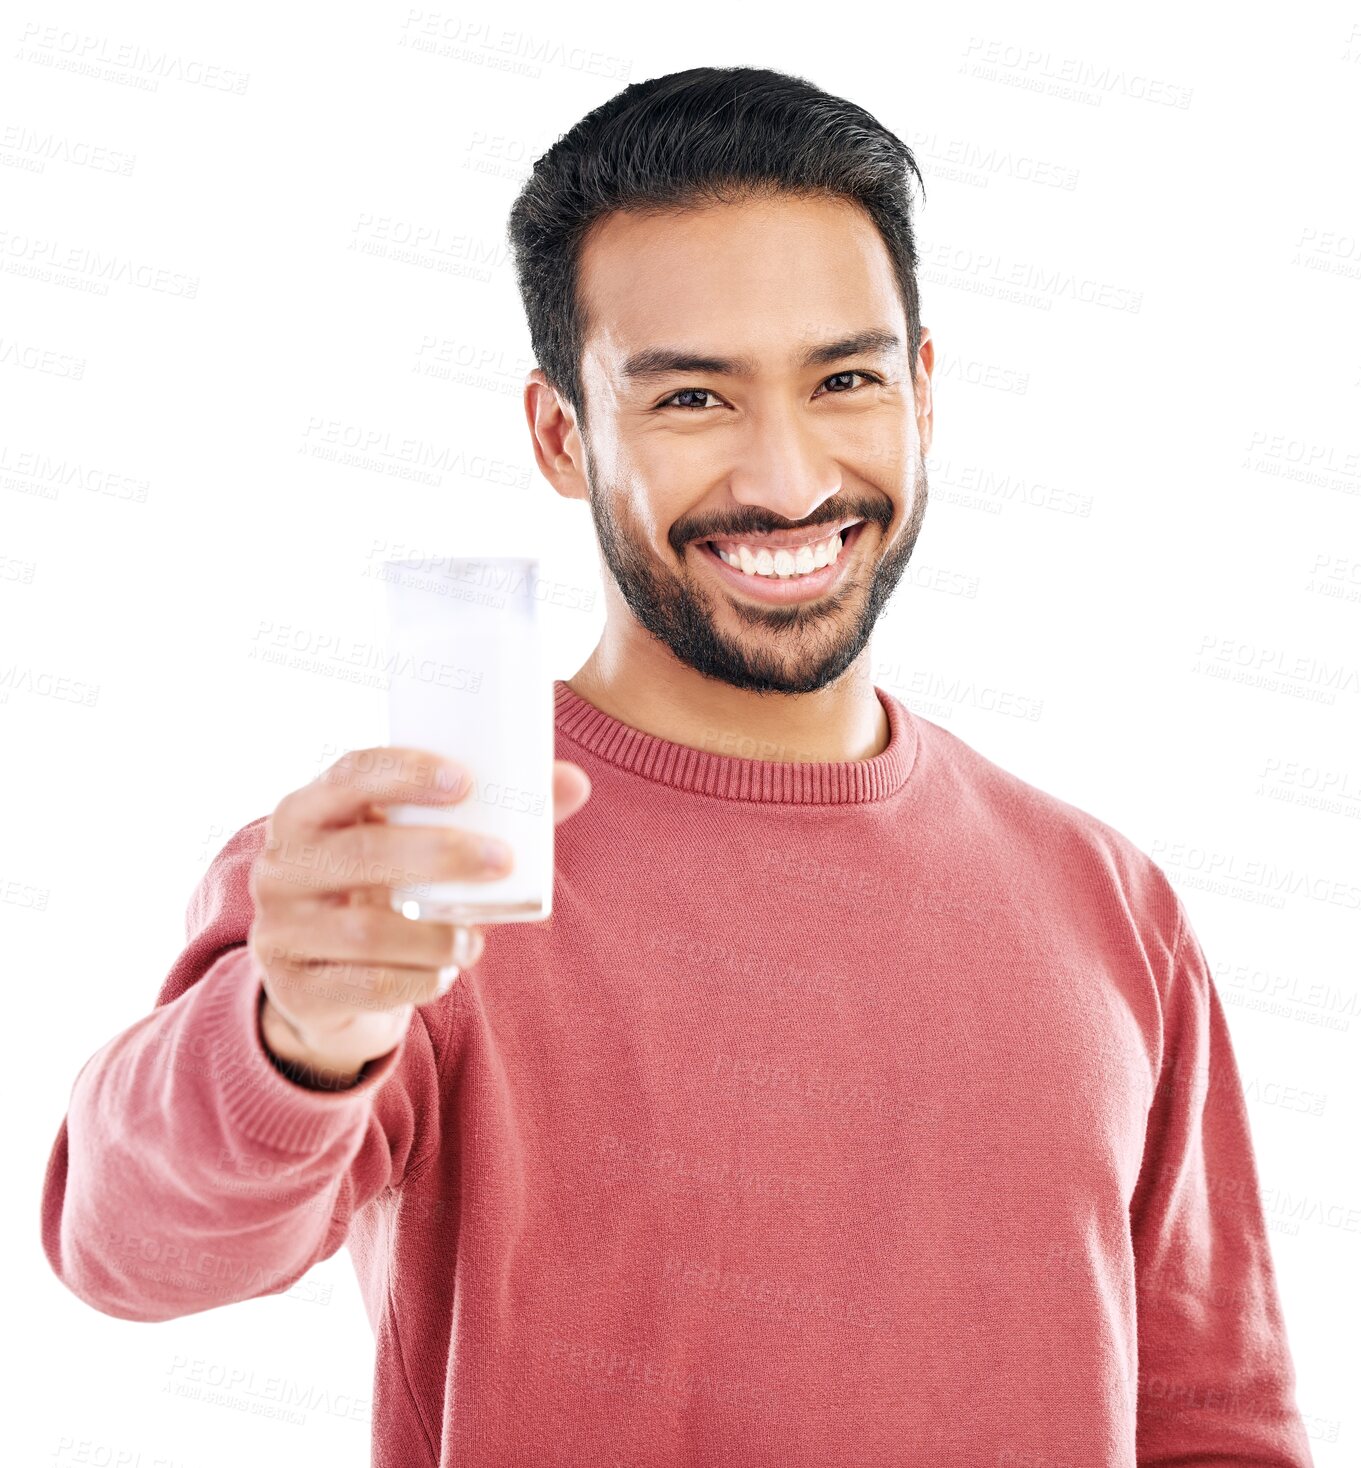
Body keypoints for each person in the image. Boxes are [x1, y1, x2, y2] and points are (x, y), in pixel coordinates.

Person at [40, 65, 1314, 1466]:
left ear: (924, 390)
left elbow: (1214, 1425)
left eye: (843, 380)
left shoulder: (1107, 899)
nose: (786, 479)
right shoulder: (409, 876)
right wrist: (297, 1041)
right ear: (558, 435)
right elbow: (128, 1251)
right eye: (694, 399)